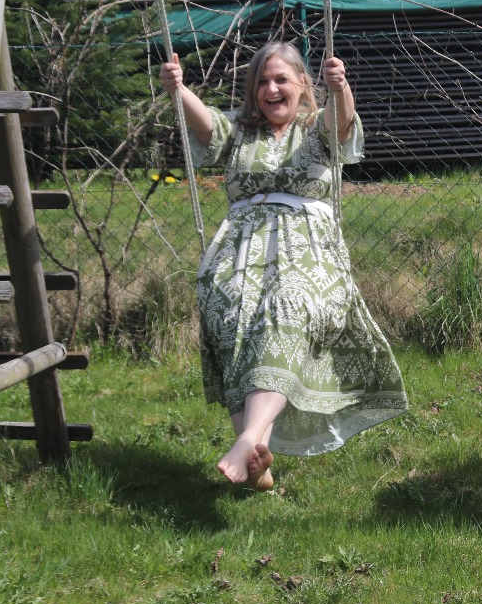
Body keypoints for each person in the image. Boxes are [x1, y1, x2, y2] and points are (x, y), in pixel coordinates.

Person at [160, 41, 406, 490]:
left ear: (303, 84)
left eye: (281, 80)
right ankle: (258, 461)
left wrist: (340, 86)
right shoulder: (240, 130)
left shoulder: (315, 127)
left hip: (307, 251)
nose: (271, 89)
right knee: (232, 308)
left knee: (288, 303)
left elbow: (342, 122)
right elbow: (205, 125)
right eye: (262, 82)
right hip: (239, 252)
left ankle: (248, 439)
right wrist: (179, 89)